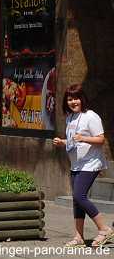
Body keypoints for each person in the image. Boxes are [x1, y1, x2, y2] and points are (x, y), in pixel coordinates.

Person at [52, 84, 113, 248]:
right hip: (76, 164)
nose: (73, 102)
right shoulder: (70, 118)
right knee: (76, 201)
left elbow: (100, 139)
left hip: (91, 163)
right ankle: (79, 237)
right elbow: (74, 140)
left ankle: (104, 228)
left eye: (76, 98)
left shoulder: (91, 116)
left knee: (80, 196)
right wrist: (62, 142)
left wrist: (84, 139)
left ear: (82, 99)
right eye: (70, 99)